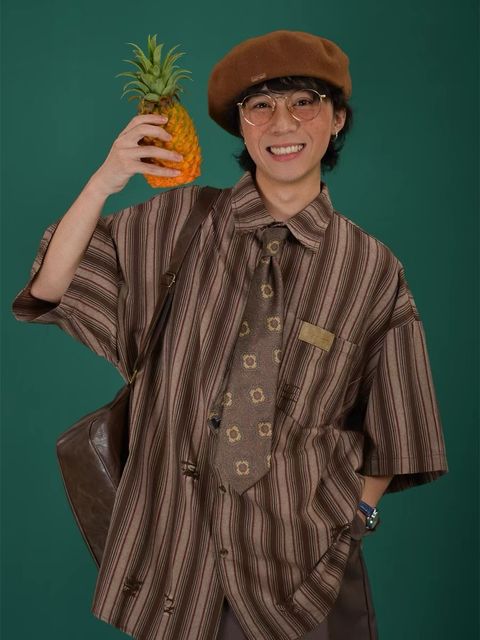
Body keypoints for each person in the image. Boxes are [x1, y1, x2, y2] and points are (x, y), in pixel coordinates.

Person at [11, 30, 449, 640]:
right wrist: (105, 180)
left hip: (303, 573)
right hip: (177, 567)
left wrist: (355, 515)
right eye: (260, 106)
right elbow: (53, 284)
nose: (282, 124)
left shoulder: (371, 269)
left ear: (337, 120)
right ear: (242, 127)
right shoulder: (178, 223)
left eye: (304, 103)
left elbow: (401, 426)